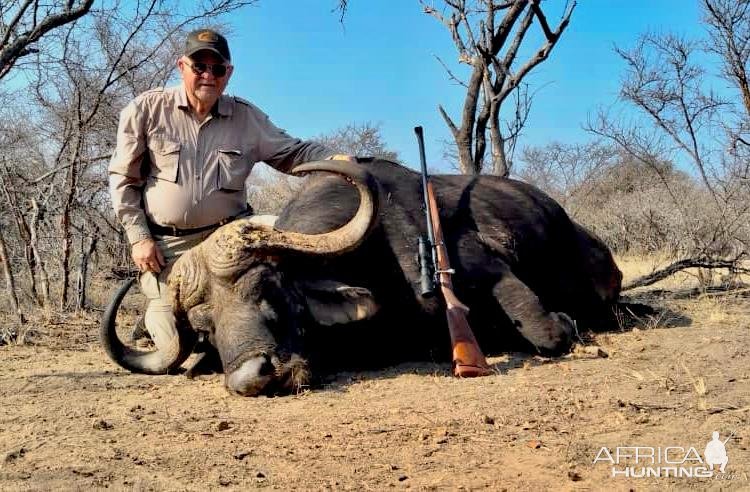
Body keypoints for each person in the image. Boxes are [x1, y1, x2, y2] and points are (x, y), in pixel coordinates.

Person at [109, 28, 352, 357]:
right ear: (182, 66)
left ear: (229, 73)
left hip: (231, 237)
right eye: (199, 67)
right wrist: (139, 237)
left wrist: (336, 161)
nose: (208, 75)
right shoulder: (146, 109)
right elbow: (123, 179)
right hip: (172, 248)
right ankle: (155, 312)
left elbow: (294, 153)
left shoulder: (245, 116)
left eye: (217, 68)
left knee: (294, 233)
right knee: (180, 350)